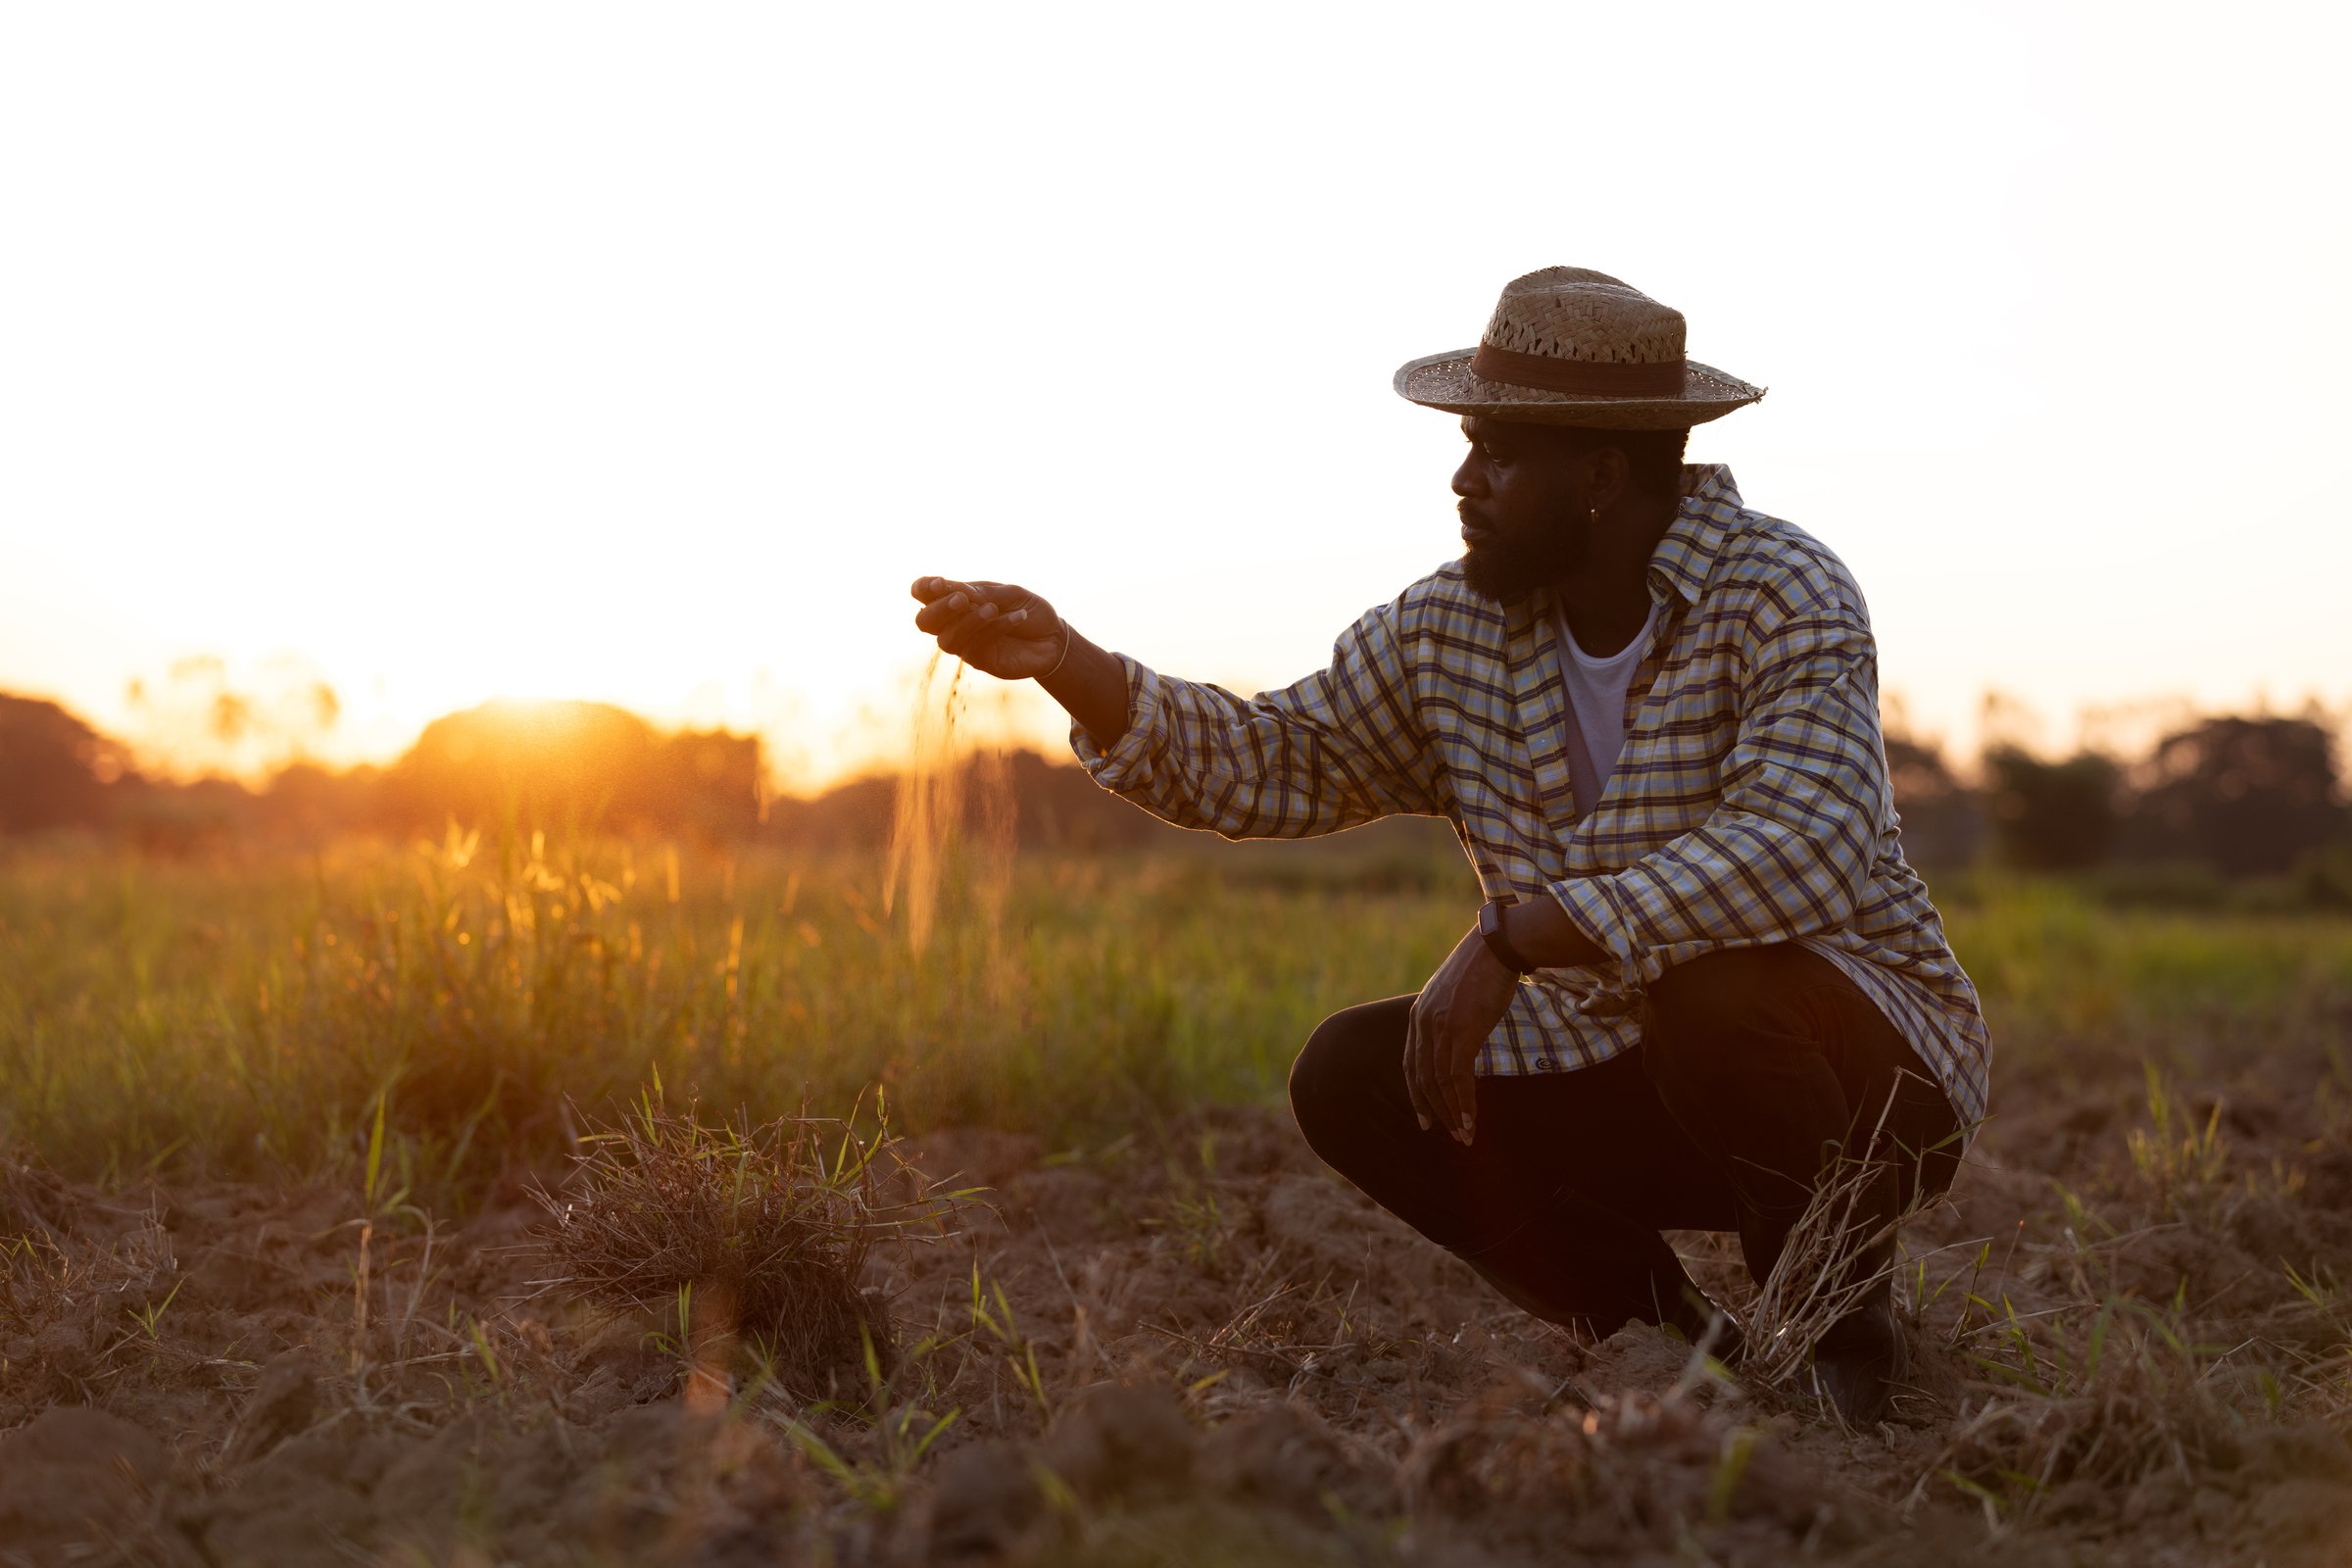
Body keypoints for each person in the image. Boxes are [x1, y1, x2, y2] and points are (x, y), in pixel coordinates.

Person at [908, 267, 1986, 1425]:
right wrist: (1070, 660)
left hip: (1866, 1081)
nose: (1463, 481)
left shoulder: (1784, 589)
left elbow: (1804, 843)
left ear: (1602, 476)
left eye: (1498, 456)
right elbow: (1273, 758)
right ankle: (1679, 1360)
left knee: (1719, 991)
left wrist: (1518, 938)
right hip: (1628, 1071)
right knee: (1358, 1076)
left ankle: (1846, 1366)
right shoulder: (1448, 630)